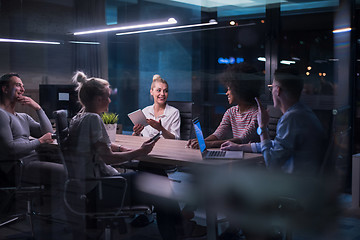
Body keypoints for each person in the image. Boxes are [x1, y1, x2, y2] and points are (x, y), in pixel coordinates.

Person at [67, 71, 183, 239]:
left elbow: (101, 145)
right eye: (107, 97)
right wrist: (140, 152)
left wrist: (123, 148)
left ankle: (177, 229)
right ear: (99, 99)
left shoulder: (78, 118)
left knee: (157, 175)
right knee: (162, 184)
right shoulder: (93, 119)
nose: (110, 100)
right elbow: (108, 157)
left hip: (88, 187)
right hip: (100, 189)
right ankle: (176, 233)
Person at [221, 67, 327, 175]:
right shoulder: (302, 112)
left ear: (278, 90)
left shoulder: (292, 119)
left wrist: (262, 128)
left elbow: (271, 164)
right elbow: (276, 145)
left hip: (295, 185)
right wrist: (240, 147)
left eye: (272, 88)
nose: (271, 92)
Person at [0, 73, 63, 185]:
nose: (23, 90)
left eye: (23, 86)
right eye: (18, 85)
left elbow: (48, 132)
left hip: (33, 160)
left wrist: (38, 108)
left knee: (70, 166)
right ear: (5, 89)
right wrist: (40, 141)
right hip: (18, 166)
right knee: (66, 173)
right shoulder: (1, 115)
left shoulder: (23, 117)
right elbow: (10, 148)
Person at [187, 63, 262, 149]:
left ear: (240, 90)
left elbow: (242, 140)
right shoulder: (231, 112)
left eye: (229, 89)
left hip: (253, 158)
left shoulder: (257, 114)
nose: (227, 93)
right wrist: (201, 142)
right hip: (237, 156)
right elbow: (218, 134)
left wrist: (209, 144)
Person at [133, 74, 180, 139]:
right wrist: (136, 132)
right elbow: (138, 137)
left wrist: (160, 128)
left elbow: (176, 139)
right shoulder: (145, 111)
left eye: (165, 91)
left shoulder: (174, 112)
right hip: (146, 147)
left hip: (165, 148)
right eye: (159, 90)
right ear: (151, 92)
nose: (162, 94)